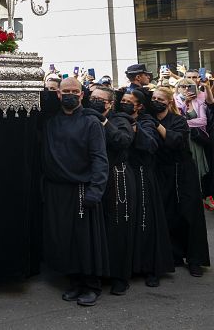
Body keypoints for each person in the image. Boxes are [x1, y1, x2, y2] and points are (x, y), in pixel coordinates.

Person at [42, 77, 109, 307]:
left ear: (82, 95)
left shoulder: (91, 123)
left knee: (85, 240)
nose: (70, 94)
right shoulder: (51, 122)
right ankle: (74, 282)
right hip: (58, 191)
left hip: (83, 189)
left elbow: (100, 159)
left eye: (74, 91)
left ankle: (91, 285)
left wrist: (95, 191)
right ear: (58, 94)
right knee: (65, 239)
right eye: (65, 91)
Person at [152, 86, 211, 277]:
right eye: (153, 98)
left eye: (160, 99)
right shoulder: (148, 120)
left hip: (183, 171)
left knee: (189, 213)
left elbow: (175, 141)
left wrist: (157, 125)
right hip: (162, 172)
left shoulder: (178, 121)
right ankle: (175, 254)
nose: (156, 102)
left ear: (169, 102)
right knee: (168, 213)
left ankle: (195, 259)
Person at [119, 90, 174, 287]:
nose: (125, 104)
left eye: (129, 102)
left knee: (146, 223)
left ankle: (150, 268)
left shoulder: (147, 122)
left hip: (143, 175)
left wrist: (135, 128)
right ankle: (129, 267)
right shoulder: (117, 119)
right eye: (123, 101)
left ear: (139, 106)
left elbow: (151, 144)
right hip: (125, 175)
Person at [88, 86, 136, 294]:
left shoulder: (119, 120)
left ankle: (119, 277)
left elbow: (123, 141)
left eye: (100, 99)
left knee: (118, 229)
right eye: (92, 98)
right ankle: (99, 274)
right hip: (95, 180)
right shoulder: (87, 117)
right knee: (97, 229)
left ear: (109, 104)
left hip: (118, 179)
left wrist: (104, 121)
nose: (95, 101)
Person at [174, 79, 209, 189]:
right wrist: (185, 103)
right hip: (182, 140)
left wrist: (184, 123)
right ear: (178, 88)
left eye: (189, 86)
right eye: (183, 86)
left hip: (195, 140)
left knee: (197, 168)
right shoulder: (175, 100)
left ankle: (200, 197)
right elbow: (176, 118)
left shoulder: (197, 101)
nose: (186, 89)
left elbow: (203, 121)